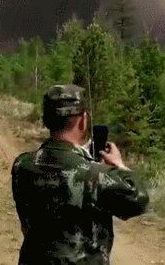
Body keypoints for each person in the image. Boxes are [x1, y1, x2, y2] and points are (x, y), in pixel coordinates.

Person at [11, 84, 149, 264]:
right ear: (83, 121)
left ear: (46, 120)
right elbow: (138, 200)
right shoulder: (94, 175)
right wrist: (119, 165)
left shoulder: (22, 165)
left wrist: (79, 156)